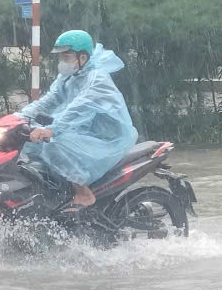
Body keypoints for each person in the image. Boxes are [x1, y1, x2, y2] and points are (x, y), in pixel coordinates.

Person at [20, 29, 138, 208]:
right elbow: (48, 100)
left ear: (82, 58)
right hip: (83, 133)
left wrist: (52, 129)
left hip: (107, 139)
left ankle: (83, 192)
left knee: (53, 144)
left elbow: (79, 109)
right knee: (28, 141)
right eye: (61, 58)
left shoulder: (97, 79)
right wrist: (18, 117)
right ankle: (50, 190)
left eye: (66, 57)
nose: (62, 62)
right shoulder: (67, 77)